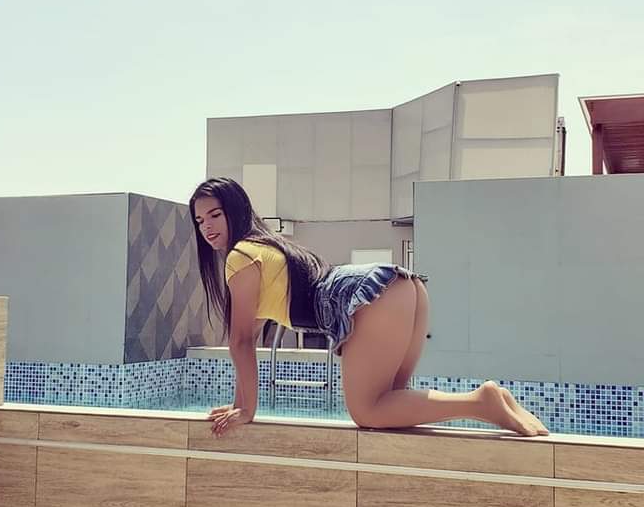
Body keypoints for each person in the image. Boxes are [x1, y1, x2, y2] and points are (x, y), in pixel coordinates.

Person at [189, 177, 549, 439]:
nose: (207, 227)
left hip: (368, 298)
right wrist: (238, 405)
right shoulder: (267, 247)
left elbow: (240, 342)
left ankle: (479, 403)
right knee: (389, 407)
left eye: (215, 215)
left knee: (367, 412)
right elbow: (247, 341)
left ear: (235, 211)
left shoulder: (240, 257)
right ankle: (489, 401)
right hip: (404, 287)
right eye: (200, 220)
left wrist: (247, 411)